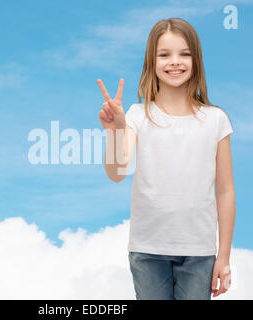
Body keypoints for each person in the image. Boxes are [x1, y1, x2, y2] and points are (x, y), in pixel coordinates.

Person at [96, 17, 235, 300]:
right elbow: (117, 172)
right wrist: (115, 132)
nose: (175, 62)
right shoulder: (136, 116)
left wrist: (223, 257)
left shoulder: (216, 120)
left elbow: (225, 190)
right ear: (152, 61)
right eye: (165, 54)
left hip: (199, 253)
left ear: (196, 60)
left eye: (184, 53)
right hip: (148, 250)